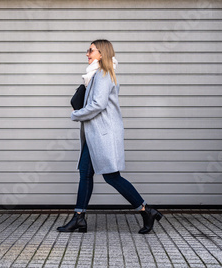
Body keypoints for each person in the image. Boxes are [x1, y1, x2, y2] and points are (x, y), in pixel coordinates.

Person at [57, 39, 163, 234]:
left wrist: (75, 114)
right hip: (94, 134)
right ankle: (79, 217)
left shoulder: (104, 75)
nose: (87, 53)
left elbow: (97, 105)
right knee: (85, 173)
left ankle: (146, 210)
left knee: (112, 177)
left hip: (102, 134)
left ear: (102, 53)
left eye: (91, 50)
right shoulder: (95, 75)